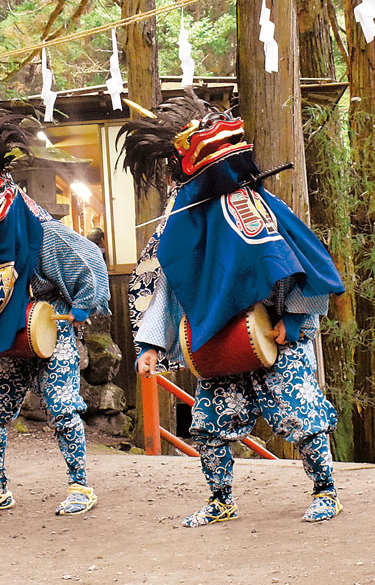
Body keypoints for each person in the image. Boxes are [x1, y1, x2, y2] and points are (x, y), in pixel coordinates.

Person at [120, 91, 345, 526]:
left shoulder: (262, 205)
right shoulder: (183, 221)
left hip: (276, 336)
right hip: (221, 340)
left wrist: (296, 317)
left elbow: (305, 264)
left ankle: (325, 490)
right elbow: (172, 282)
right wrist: (151, 343)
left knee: (304, 419)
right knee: (207, 427)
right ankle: (221, 499)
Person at [0, 102, 110, 515]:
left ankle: (81, 485)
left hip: (52, 330)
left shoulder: (43, 233)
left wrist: (82, 308)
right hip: (11, 336)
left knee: (63, 408)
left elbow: (90, 263)